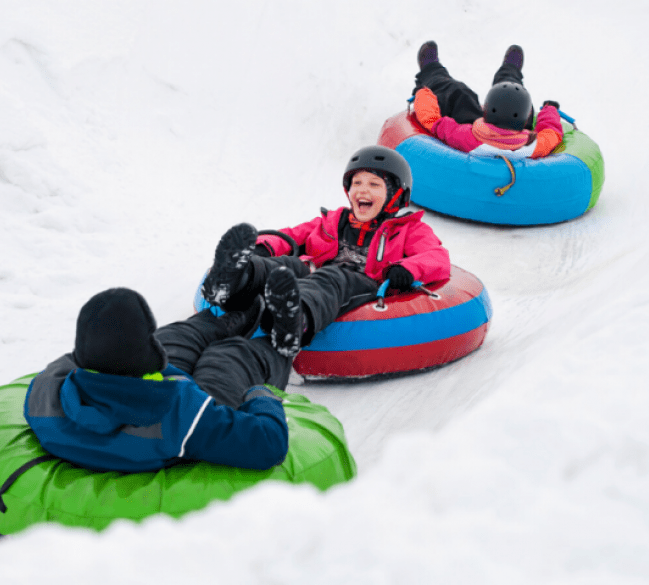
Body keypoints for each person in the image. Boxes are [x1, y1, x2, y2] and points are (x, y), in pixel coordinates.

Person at [202, 145, 451, 359]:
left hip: (361, 283)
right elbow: (292, 235)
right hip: (313, 273)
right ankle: (235, 278)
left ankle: (292, 320)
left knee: (332, 277)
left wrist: (406, 269)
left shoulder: (408, 229)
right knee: (288, 265)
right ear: (348, 190)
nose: (363, 190)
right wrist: (260, 248)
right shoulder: (332, 221)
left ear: (397, 196)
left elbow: (437, 257)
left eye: (374, 184)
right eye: (357, 183)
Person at [24, 287, 291, 473]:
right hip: (176, 405)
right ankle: (280, 338)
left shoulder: (45, 391)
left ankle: (227, 319)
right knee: (229, 357)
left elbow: (80, 359)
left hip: (131, 387)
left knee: (173, 337)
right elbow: (269, 442)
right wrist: (259, 395)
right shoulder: (179, 416)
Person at [411, 42, 563, 159]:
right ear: (526, 120)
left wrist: (423, 93)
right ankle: (510, 69)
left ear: (485, 112)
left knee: (459, 93)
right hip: (517, 141)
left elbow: (434, 122)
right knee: (512, 90)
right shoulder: (533, 146)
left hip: (476, 133)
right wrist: (550, 110)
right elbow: (552, 133)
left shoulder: (466, 137)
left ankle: (431, 69)